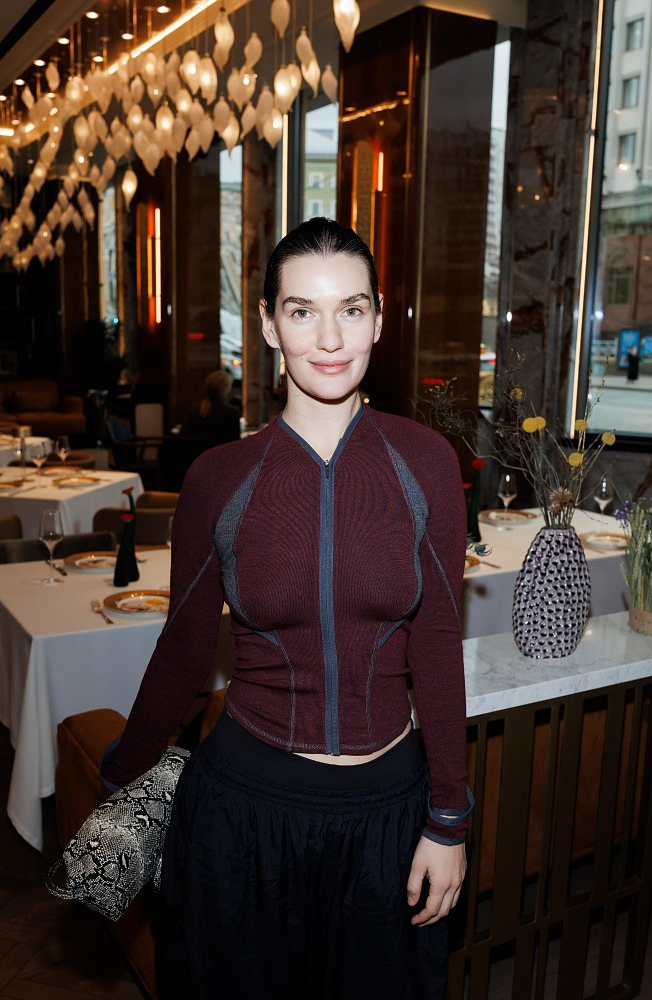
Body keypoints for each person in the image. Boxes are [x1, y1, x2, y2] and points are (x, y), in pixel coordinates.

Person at [103, 217, 472, 1000]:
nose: (329, 339)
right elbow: (183, 648)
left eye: (350, 309)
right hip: (245, 819)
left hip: (388, 818)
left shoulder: (427, 464)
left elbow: (438, 647)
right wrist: (118, 780)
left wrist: (448, 822)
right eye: (302, 311)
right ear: (269, 325)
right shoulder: (218, 477)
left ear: (377, 319)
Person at [180, 369, 241, 448]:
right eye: (230, 385)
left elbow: (184, 437)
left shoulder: (193, 409)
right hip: (220, 455)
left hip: (195, 454)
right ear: (225, 388)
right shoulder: (232, 412)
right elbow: (234, 443)